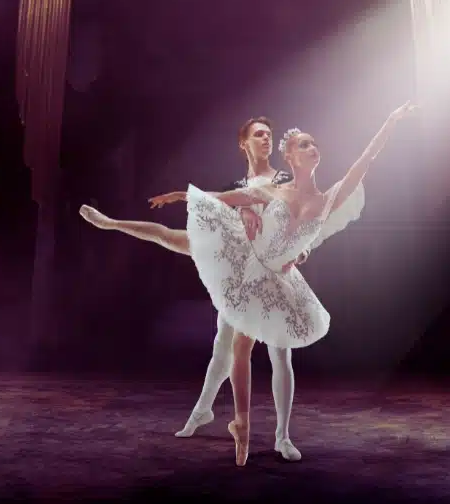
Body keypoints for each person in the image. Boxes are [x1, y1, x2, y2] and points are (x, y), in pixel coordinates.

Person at [158, 100, 415, 466]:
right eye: (305, 145)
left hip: (281, 280)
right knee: (231, 346)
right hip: (250, 269)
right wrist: (188, 196)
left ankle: (279, 434)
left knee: (277, 353)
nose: (313, 148)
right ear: (292, 157)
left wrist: (389, 121)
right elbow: (226, 199)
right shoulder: (275, 190)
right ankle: (235, 422)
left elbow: (366, 160)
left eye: (314, 144)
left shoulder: (328, 199)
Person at [80, 117, 308, 461]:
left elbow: (299, 223)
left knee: (280, 351)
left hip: (274, 271)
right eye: (258, 134)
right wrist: (117, 221)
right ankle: (202, 411)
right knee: (222, 346)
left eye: (268, 134)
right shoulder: (235, 188)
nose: (265, 139)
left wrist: (300, 249)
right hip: (243, 271)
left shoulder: (284, 180)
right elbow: (199, 215)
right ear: (242, 143)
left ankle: (283, 437)